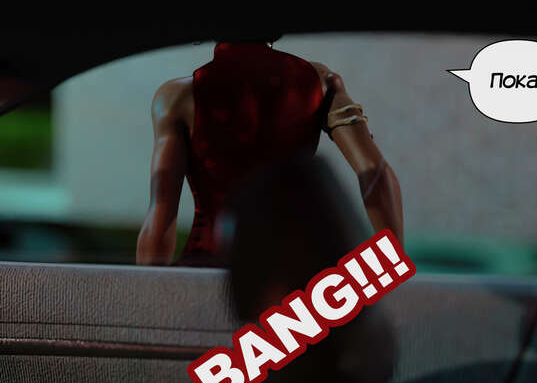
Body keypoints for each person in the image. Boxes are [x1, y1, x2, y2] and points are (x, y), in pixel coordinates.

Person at [136, 37, 404, 266]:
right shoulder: (320, 81)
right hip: (293, 270)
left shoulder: (177, 96)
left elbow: (161, 214)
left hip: (209, 265)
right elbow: (375, 173)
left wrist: (145, 296)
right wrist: (393, 267)